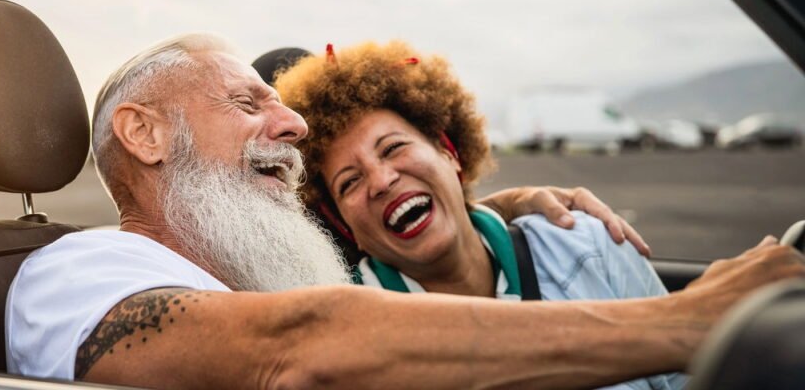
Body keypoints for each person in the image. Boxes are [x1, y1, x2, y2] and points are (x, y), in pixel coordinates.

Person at [5, 33, 804, 390]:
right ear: (143, 133)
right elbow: (298, 348)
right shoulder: (75, 273)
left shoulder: (252, 280)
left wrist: (487, 213)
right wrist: (695, 321)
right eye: (248, 103)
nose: (291, 126)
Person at [274, 40, 685, 389]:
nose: (381, 181)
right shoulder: (344, 341)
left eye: (393, 147)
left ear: (449, 153)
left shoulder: (587, 244)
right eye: (349, 182)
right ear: (345, 226)